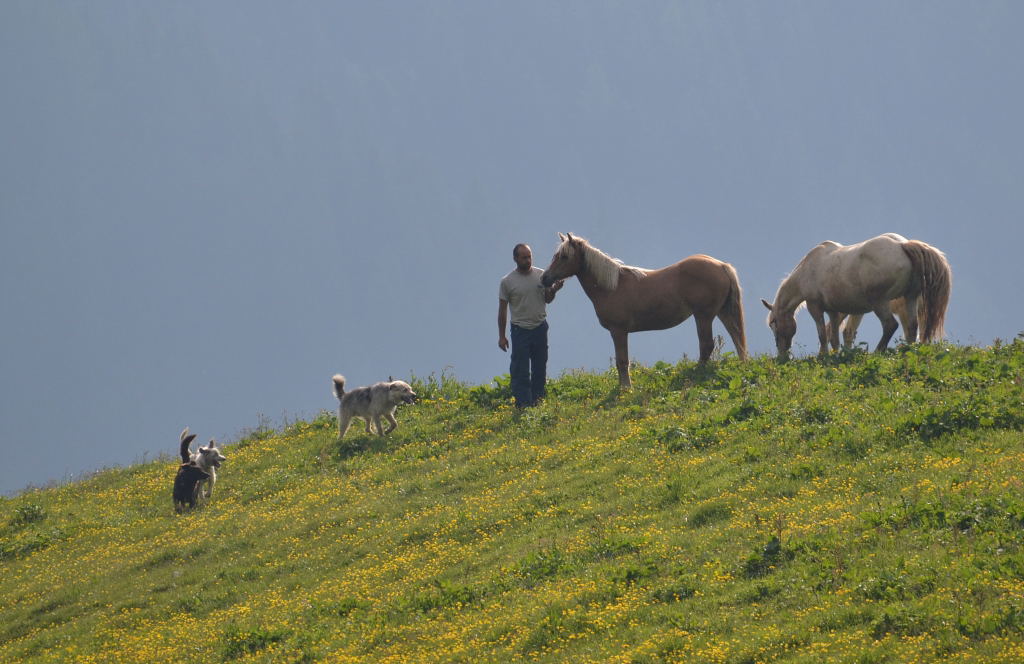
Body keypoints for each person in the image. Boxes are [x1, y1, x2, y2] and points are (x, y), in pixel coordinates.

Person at [498, 243, 564, 408]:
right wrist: (502, 336)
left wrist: (554, 289)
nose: (528, 260)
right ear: (515, 259)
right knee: (520, 369)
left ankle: (538, 400)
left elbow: (547, 299)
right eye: (524, 257)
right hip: (520, 330)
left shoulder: (541, 275)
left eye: (529, 256)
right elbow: (502, 310)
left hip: (540, 327)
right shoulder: (507, 282)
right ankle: (523, 404)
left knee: (539, 367)